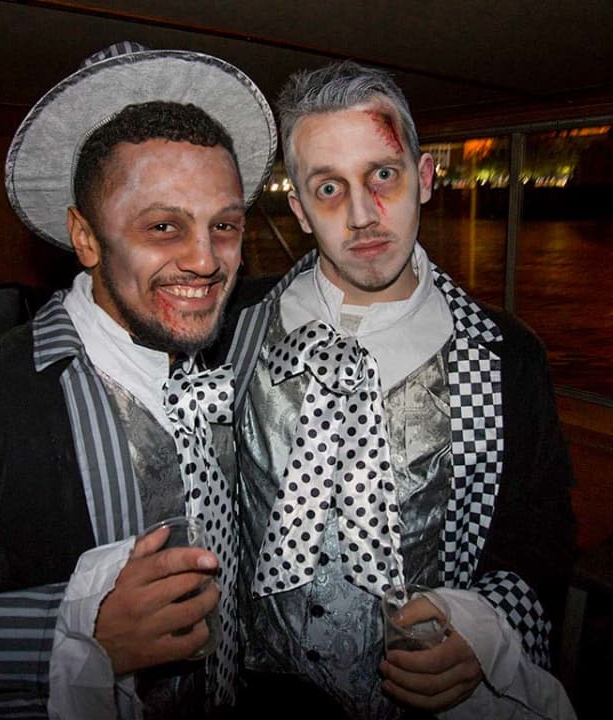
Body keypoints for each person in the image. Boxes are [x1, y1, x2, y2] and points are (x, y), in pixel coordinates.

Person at [0, 41, 276, 719]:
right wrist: (73, 631)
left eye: (224, 225)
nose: (205, 259)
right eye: (164, 226)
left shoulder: (245, 366)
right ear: (87, 238)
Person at [227, 60, 578, 719]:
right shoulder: (235, 328)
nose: (362, 216)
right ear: (299, 209)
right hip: (255, 695)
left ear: (425, 178)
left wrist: (485, 630)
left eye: (382, 176)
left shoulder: (507, 357)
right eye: (329, 188)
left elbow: (543, 535)